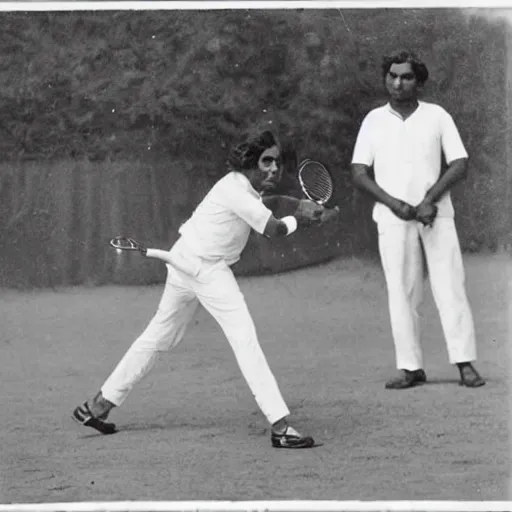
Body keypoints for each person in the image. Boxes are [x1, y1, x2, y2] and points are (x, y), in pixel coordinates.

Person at [73, 129, 333, 448]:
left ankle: (97, 406)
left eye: (277, 162)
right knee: (245, 340)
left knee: (158, 337)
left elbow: (269, 203)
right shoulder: (236, 190)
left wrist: (297, 205)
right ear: (250, 162)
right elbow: (274, 229)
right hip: (205, 270)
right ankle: (280, 428)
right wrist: (301, 218)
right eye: (267, 162)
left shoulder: (240, 186)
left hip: (182, 259)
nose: (274, 169)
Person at [350, 50, 485, 390]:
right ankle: (411, 368)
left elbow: (459, 163)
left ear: (419, 82)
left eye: (406, 77)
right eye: (392, 76)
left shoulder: (437, 116)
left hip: (436, 214)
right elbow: (358, 172)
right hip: (393, 217)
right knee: (402, 291)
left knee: (450, 284)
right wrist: (394, 204)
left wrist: (428, 201)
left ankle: (465, 363)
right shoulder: (373, 120)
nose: (398, 83)